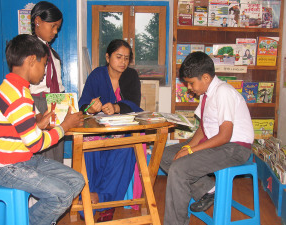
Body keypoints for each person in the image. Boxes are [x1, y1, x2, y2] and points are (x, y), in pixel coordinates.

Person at [0, 34, 85, 225]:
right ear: (32, 60)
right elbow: (35, 143)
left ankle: (27, 218)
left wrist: (41, 122)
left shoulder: (19, 89)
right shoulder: (17, 95)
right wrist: (64, 127)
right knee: (62, 194)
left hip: (23, 159)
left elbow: (22, 127)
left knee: (77, 180)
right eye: (44, 64)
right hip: (9, 167)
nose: (44, 72)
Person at [160, 52, 254, 225]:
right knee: (165, 155)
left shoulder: (223, 92)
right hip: (215, 142)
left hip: (235, 147)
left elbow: (225, 136)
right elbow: (203, 130)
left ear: (205, 77)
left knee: (180, 168)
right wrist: (185, 148)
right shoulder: (205, 94)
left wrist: (190, 150)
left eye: (191, 83)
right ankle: (209, 189)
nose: (189, 87)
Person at [78, 39, 142, 222]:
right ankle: (89, 195)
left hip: (123, 128)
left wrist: (116, 107)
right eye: (118, 57)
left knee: (124, 148)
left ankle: (105, 200)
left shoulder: (131, 76)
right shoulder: (97, 75)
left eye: (126, 58)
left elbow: (134, 105)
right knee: (89, 148)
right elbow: (84, 103)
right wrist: (90, 108)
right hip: (98, 130)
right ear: (108, 57)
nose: (123, 62)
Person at [30, 1, 65, 163]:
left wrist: (65, 108)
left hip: (55, 103)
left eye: (57, 27)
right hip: (37, 105)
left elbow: (58, 83)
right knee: (41, 156)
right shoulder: (28, 50)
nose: (55, 32)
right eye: (53, 26)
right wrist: (36, 113)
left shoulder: (52, 53)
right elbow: (22, 88)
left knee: (56, 155)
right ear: (38, 21)